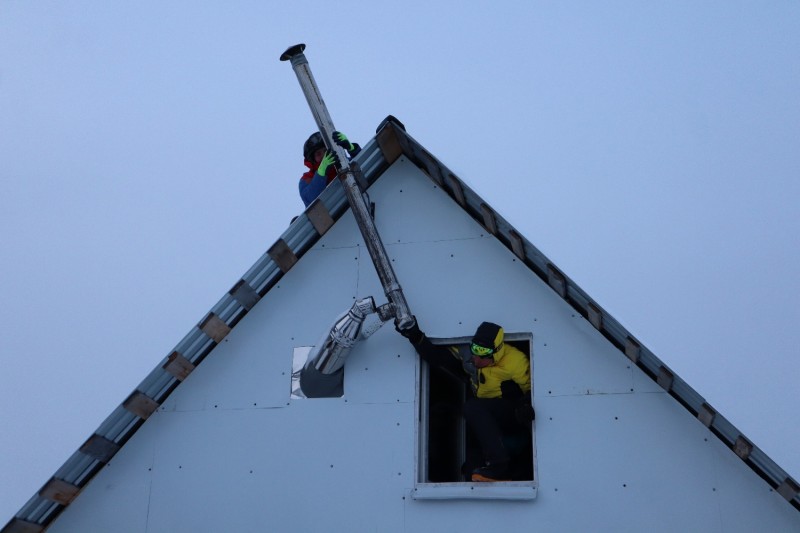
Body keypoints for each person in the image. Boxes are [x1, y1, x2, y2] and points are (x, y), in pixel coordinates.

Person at [397, 318, 534, 482]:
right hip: (486, 416)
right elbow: (438, 358)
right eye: (475, 348)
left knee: (472, 408)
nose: (476, 357)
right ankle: (479, 473)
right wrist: (415, 337)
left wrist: (525, 405)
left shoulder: (515, 362)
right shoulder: (469, 356)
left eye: (482, 352)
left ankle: (500, 467)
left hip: (511, 413)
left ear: (495, 352)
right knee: (472, 438)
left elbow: (532, 390)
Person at [299, 130, 361, 207]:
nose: (324, 155)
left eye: (325, 150)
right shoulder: (307, 179)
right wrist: (321, 172)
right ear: (313, 160)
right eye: (318, 154)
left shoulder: (344, 163)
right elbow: (310, 199)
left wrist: (351, 147)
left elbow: (363, 163)